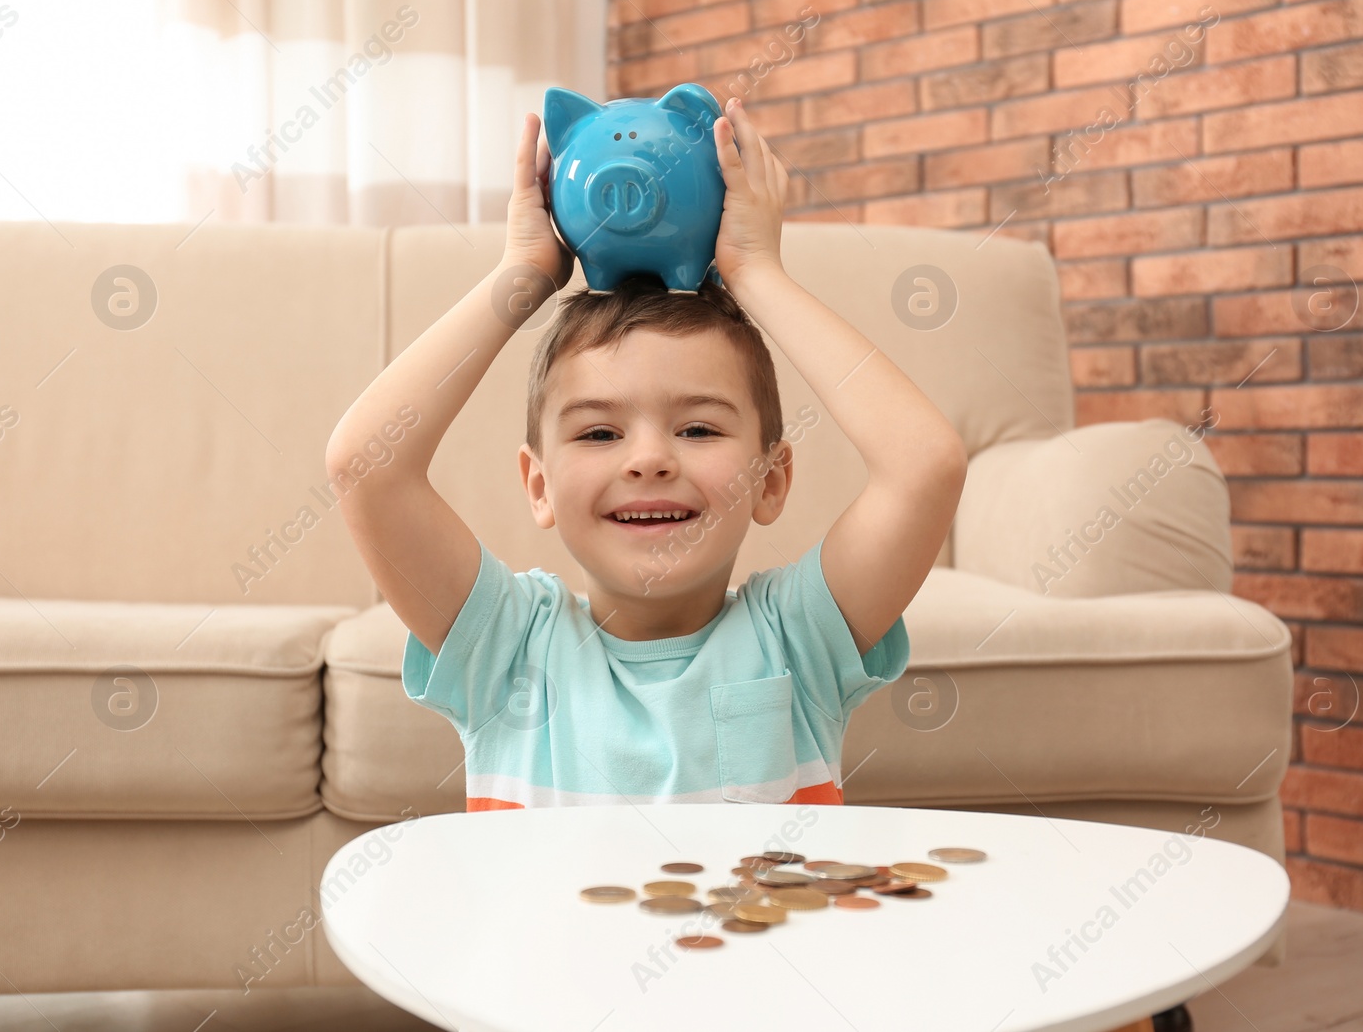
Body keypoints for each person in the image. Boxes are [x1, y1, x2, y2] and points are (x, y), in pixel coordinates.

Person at [326, 95, 968, 811]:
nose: (650, 459)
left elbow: (926, 464)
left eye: (698, 429)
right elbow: (365, 465)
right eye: (600, 432)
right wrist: (524, 274)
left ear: (770, 478)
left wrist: (759, 273)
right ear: (538, 485)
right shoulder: (506, 651)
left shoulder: (798, 640)